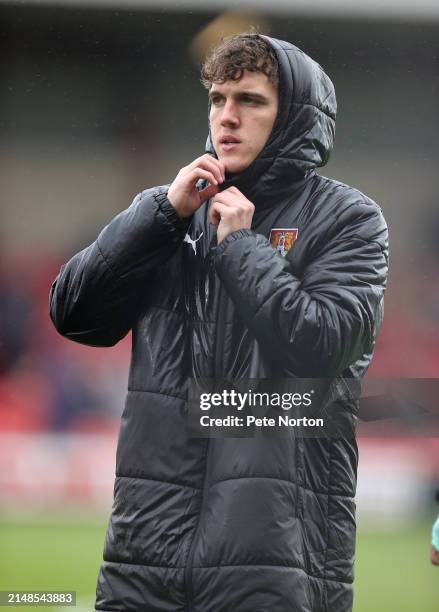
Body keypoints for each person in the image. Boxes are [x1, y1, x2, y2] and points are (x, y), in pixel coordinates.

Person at [49, 33, 389, 612]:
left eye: (250, 101)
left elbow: (322, 349)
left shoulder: (348, 218)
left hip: (276, 550)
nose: (226, 117)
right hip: (147, 548)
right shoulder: (173, 213)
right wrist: (157, 217)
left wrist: (241, 247)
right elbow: (76, 316)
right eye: (217, 99)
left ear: (292, 118)